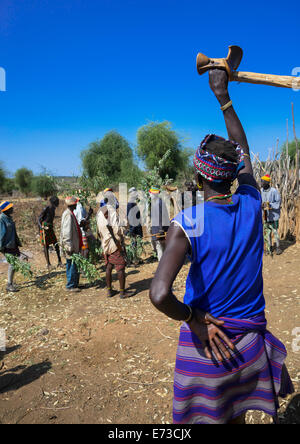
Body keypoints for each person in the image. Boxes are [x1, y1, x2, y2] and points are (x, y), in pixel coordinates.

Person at [149, 69, 294, 424]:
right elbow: (241, 148)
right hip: (249, 348)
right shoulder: (249, 201)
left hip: (208, 348)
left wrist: (193, 319)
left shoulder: (188, 223)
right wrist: (223, 97)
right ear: (234, 174)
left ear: (199, 177)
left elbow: (158, 294)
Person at [96, 204, 135, 299]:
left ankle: (109, 290)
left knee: (109, 266)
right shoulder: (111, 211)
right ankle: (122, 292)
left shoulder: (99, 212)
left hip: (105, 244)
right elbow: (116, 230)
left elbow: (98, 230)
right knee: (120, 267)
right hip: (114, 244)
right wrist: (124, 231)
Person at [60, 196, 82, 292]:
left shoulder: (70, 213)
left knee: (73, 264)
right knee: (71, 264)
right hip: (70, 245)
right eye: (76, 203)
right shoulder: (68, 215)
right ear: (73, 204)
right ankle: (71, 285)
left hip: (73, 244)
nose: (77, 204)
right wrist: (68, 245)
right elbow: (66, 232)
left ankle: (74, 284)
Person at [0, 201, 23, 292]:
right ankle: (9, 284)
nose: (12, 209)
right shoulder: (2, 219)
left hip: (13, 243)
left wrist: (17, 242)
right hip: (6, 245)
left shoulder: (9, 218)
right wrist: (1, 247)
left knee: (15, 263)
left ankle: (11, 281)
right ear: (6, 210)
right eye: (10, 208)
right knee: (12, 263)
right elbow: (1, 234)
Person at [38, 196, 63, 270]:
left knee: (56, 244)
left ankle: (59, 261)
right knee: (46, 246)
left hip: (50, 227)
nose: (58, 203)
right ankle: (48, 264)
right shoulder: (46, 208)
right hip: (45, 228)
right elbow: (39, 219)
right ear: (54, 202)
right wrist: (41, 228)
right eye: (57, 202)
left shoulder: (53, 208)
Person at [261, 174, 282, 255]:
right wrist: (262, 205)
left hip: (274, 216)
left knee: (275, 231)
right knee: (267, 232)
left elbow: (278, 202)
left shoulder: (274, 191)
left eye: (262, 181)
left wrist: (270, 205)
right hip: (265, 215)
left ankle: (278, 247)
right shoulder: (261, 190)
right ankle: (268, 248)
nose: (261, 183)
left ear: (267, 182)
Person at [149, 187, 169, 261]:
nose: (150, 195)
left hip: (159, 229)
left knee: (159, 246)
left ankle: (162, 264)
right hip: (160, 228)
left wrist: (160, 229)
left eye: (150, 193)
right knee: (162, 246)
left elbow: (160, 217)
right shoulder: (158, 201)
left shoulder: (157, 203)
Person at [127, 187, 143, 265]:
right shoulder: (130, 203)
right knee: (134, 243)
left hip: (136, 226)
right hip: (134, 226)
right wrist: (132, 229)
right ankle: (134, 259)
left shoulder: (133, 202)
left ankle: (135, 258)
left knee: (136, 242)